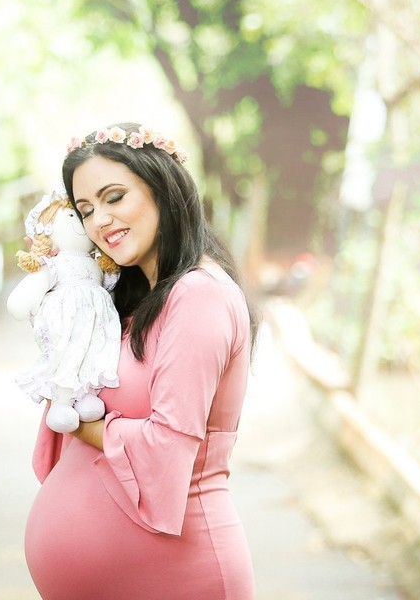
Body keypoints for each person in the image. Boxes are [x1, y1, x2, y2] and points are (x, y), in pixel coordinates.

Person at [24, 122, 258, 600]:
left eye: (114, 197)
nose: (100, 221)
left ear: (162, 189)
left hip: (177, 577)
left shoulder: (198, 296)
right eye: (85, 210)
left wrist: (79, 424)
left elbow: (168, 443)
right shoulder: (133, 297)